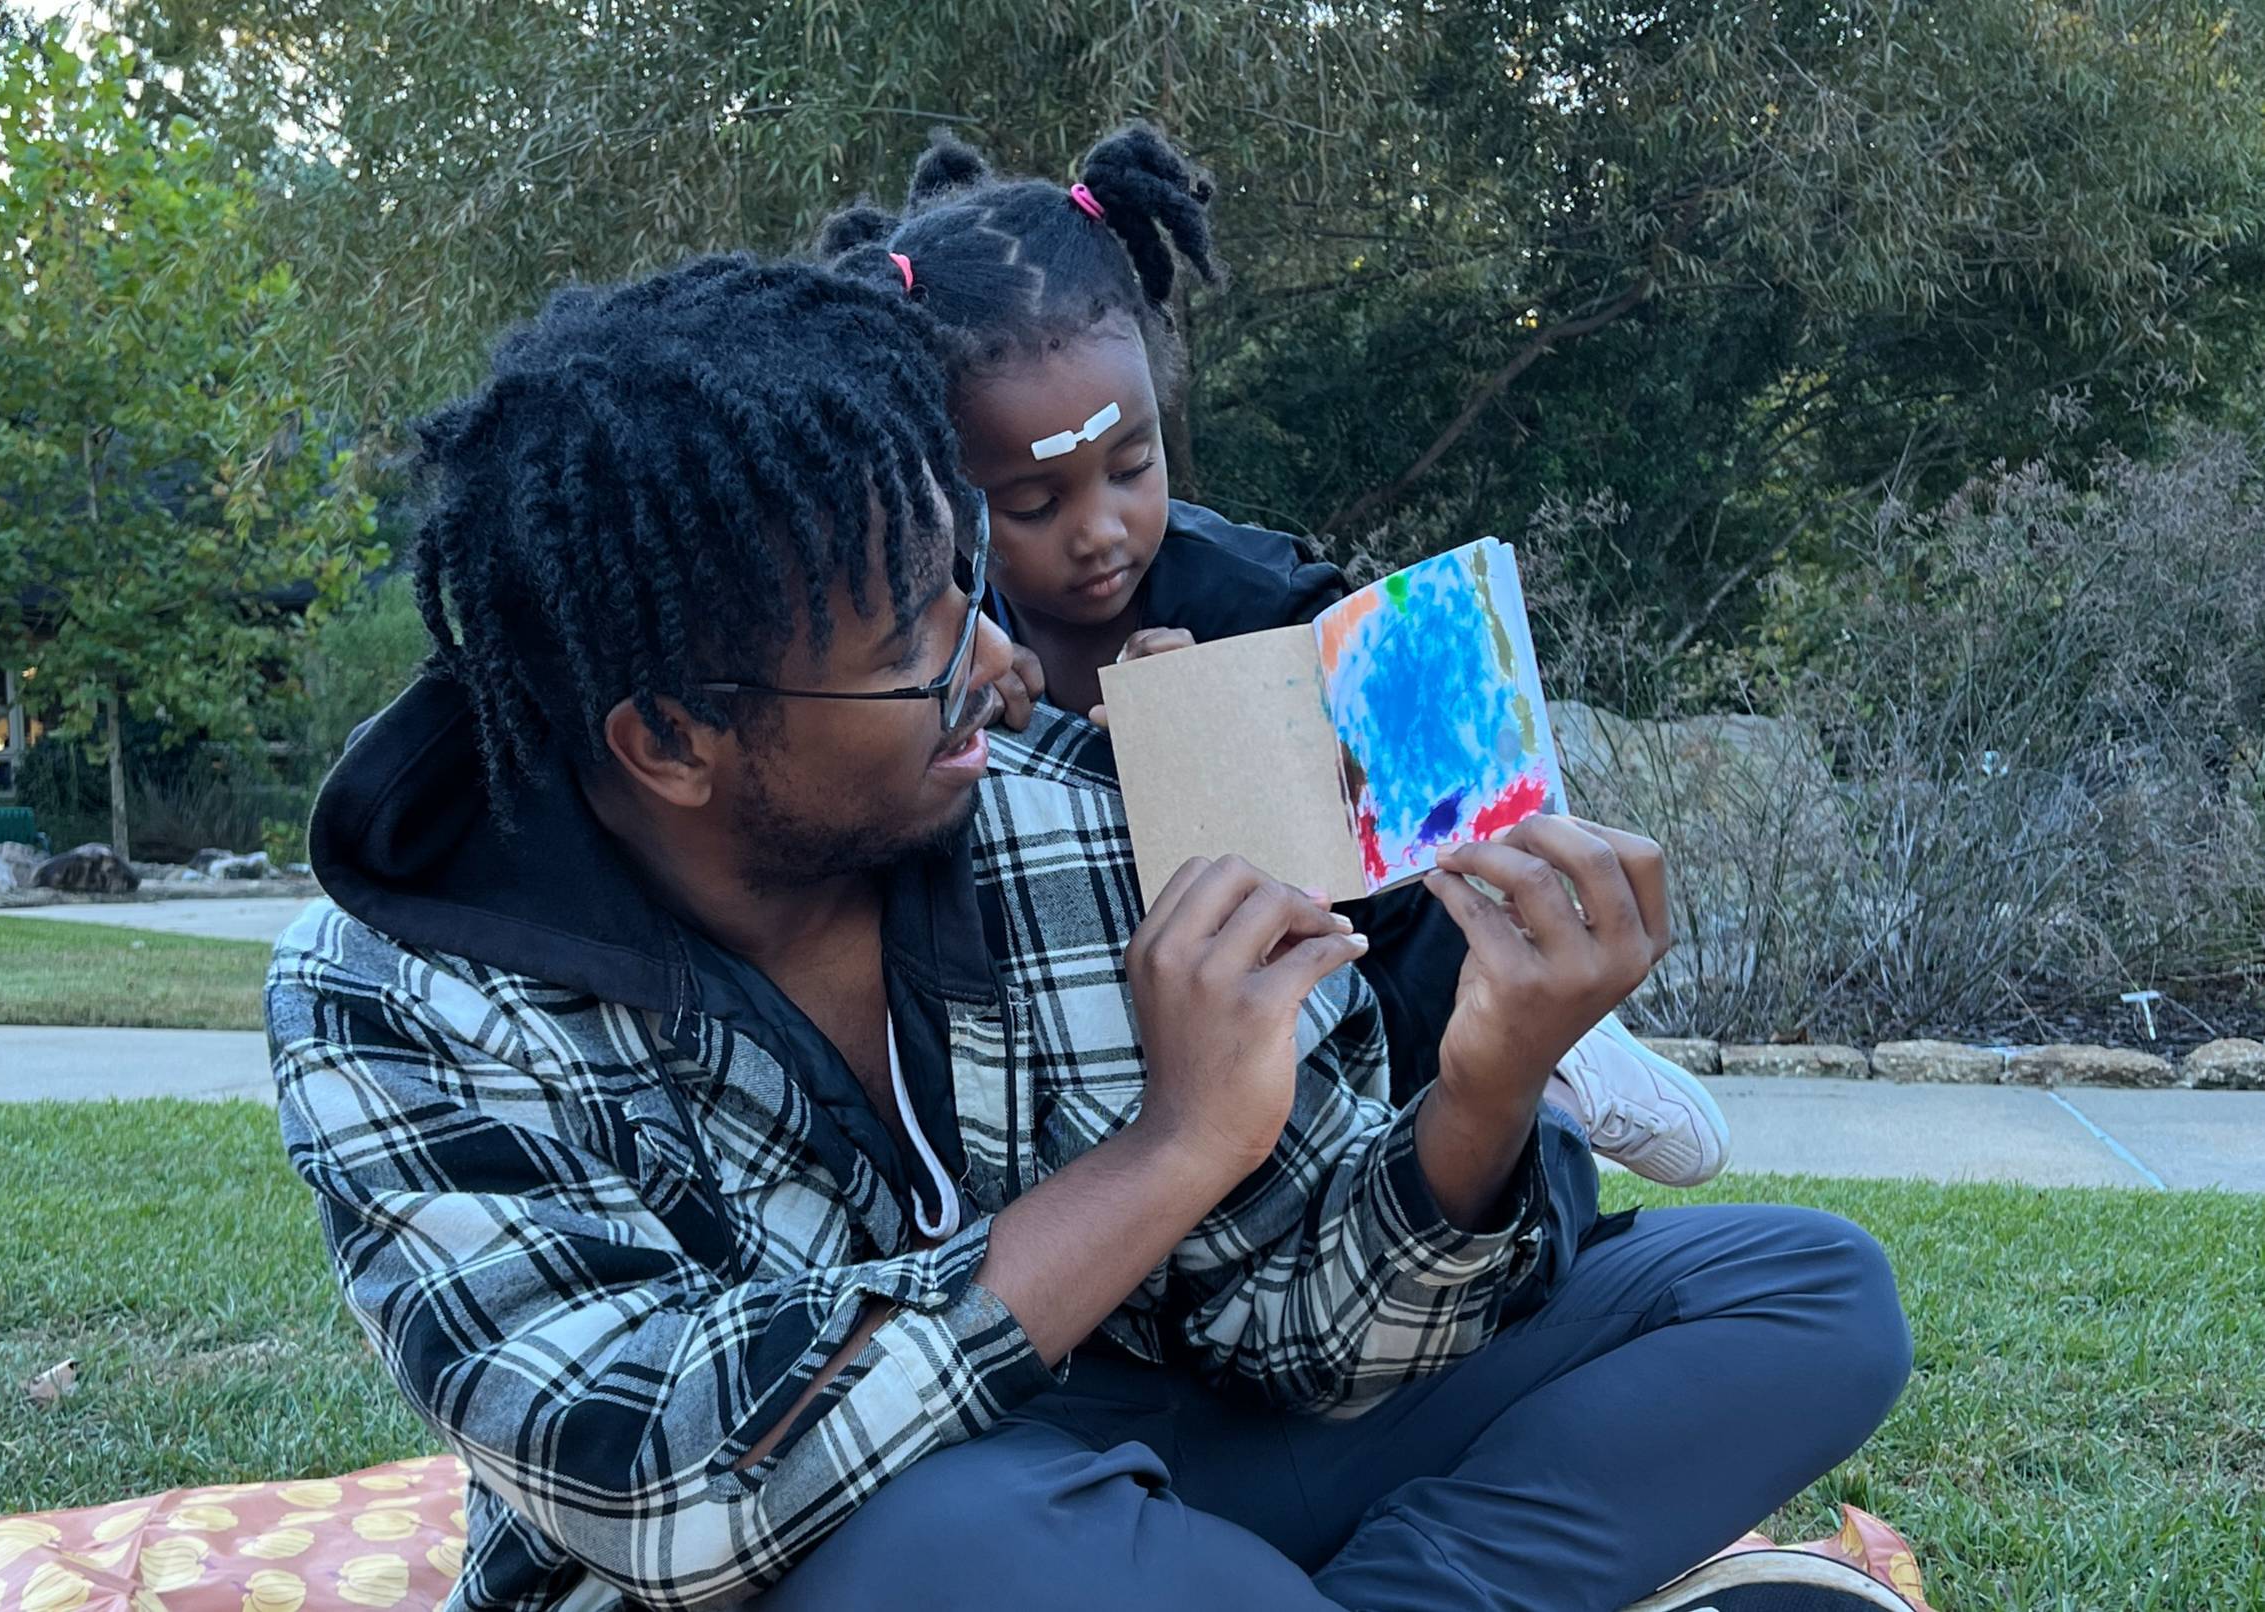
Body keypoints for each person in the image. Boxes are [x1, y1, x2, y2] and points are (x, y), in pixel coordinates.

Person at [266, 252, 1912, 1612]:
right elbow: (667, 1486)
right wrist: (1162, 1151)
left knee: (1795, 1292)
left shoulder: (1061, 818)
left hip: (1152, 1487)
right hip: (834, 1574)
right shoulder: (403, 1000)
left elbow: (1308, 1338)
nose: (1000, 664)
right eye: (919, 642)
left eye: (969, 585)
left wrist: (1481, 1085)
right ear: (671, 741)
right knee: (955, 1538)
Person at [817, 125, 1730, 1188]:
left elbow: (1406, 835)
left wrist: (1224, 719)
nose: (1100, 528)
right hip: (1122, 1032)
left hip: (1362, 959)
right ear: (942, 488)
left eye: (1133, 465)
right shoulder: (930, 637)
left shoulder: (1260, 596)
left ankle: (1545, 1060)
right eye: (1033, 503)